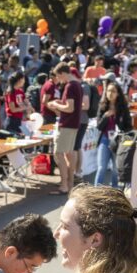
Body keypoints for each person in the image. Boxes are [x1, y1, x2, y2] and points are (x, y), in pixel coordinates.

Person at [48, 64, 84, 195]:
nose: (58, 79)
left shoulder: (70, 86)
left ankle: (64, 184)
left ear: (62, 73)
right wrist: (60, 103)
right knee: (68, 152)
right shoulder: (77, 85)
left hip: (67, 124)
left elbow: (70, 108)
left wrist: (56, 104)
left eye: (58, 76)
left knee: (59, 153)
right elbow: (71, 106)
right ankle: (68, 182)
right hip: (73, 124)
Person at [94, 81, 132, 187]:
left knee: (116, 169)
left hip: (118, 141)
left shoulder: (123, 108)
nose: (110, 93)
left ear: (118, 93)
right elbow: (99, 126)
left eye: (113, 91)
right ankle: (96, 190)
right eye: (109, 91)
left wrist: (125, 139)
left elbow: (129, 126)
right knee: (101, 167)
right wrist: (106, 116)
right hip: (105, 140)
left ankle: (115, 190)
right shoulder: (102, 106)